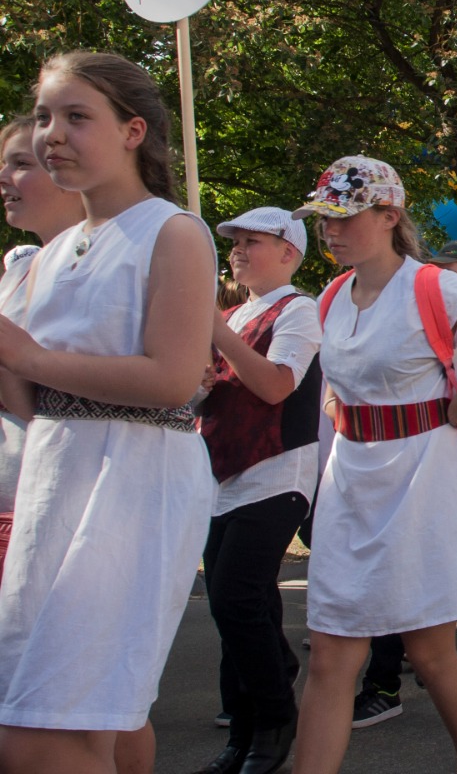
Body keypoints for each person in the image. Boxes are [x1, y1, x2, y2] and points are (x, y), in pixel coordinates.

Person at [0, 51, 219, 774]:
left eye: (75, 117)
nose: (51, 134)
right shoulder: (52, 252)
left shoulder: (174, 231)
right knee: (67, 722)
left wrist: (27, 357)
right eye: (43, 118)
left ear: (132, 132)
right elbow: (30, 400)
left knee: (42, 734)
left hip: (133, 481)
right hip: (54, 478)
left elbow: (171, 377)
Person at [290, 155, 457, 774]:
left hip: (423, 479)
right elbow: (340, 379)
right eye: (323, 217)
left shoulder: (431, 285)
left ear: (389, 216)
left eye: (343, 215)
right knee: (329, 656)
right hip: (352, 481)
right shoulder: (329, 297)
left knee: (430, 652)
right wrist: (337, 400)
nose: (329, 228)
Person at [195, 207, 323, 774]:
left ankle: (274, 717)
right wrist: (195, 384)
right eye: (237, 242)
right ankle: (246, 729)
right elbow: (204, 395)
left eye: (253, 241)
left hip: (276, 472)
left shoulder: (299, 309)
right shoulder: (231, 314)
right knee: (240, 608)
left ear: (289, 253)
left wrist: (218, 334)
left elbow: (275, 386)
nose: (239, 250)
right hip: (222, 474)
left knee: (235, 597)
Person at [0, 116, 85, 579]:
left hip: (45, 496)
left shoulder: (93, 267)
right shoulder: (20, 269)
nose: (3, 179)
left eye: (20, 164)